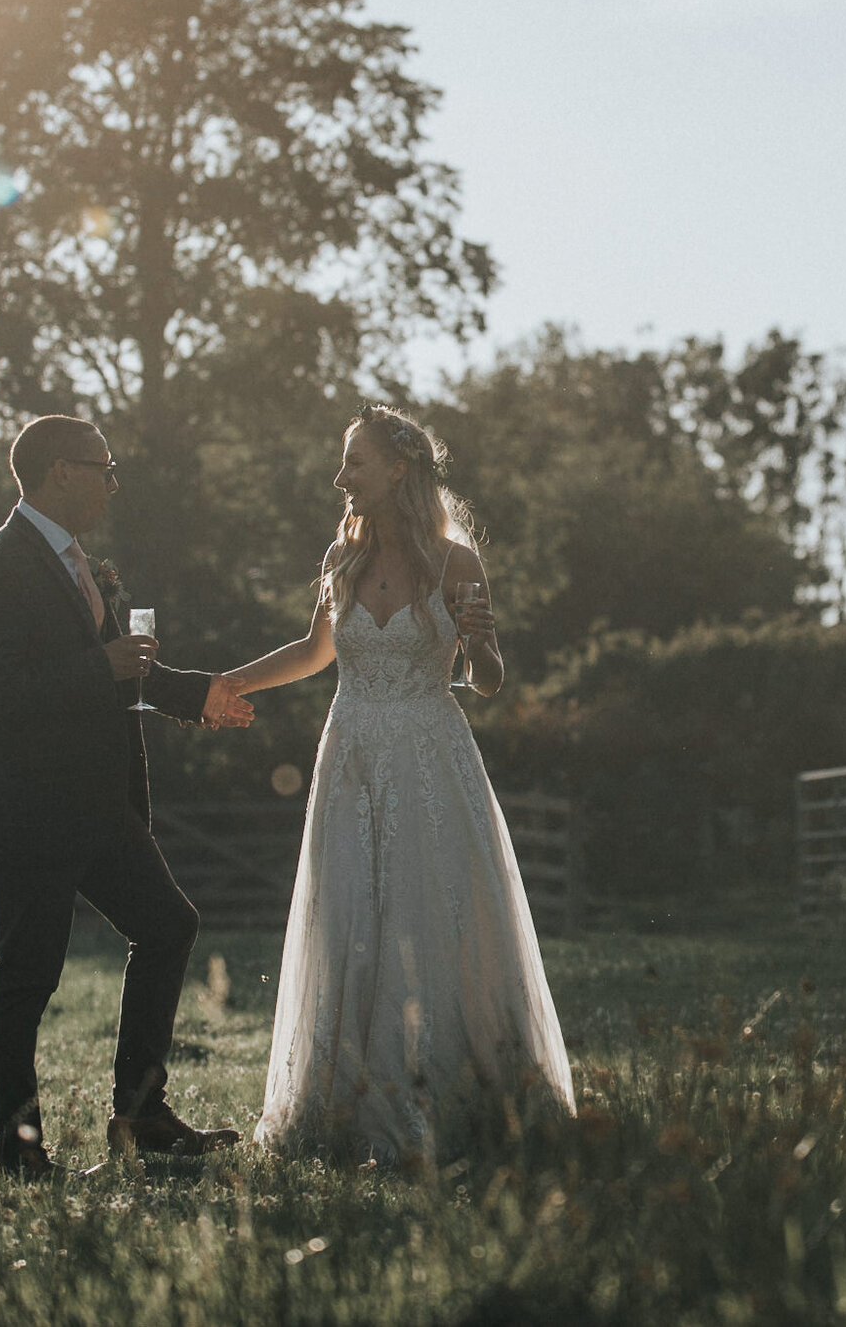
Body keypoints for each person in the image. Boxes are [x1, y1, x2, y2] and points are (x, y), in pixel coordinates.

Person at [222, 404, 574, 1163]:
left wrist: (480, 643)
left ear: (398, 469)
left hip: (428, 755)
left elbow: (488, 681)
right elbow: (317, 652)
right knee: (350, 910)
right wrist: (228, 683)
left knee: (430, 911)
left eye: (354, 461)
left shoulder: (456, 564)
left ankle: (447, 1095)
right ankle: (340, 1101)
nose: (340, 475)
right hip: (349, 753)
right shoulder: (339, 559)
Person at [0, 414, 257, 1178]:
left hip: (97, 804)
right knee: (25, 977)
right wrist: (104, 666)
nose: (114, 482)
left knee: (168, 926)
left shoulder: (74, 560)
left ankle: (142, 1115)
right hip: (32, 809)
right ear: (60, 470)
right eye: (104, 467)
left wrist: (201, 696)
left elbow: (128, 669)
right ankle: (17, 1147)